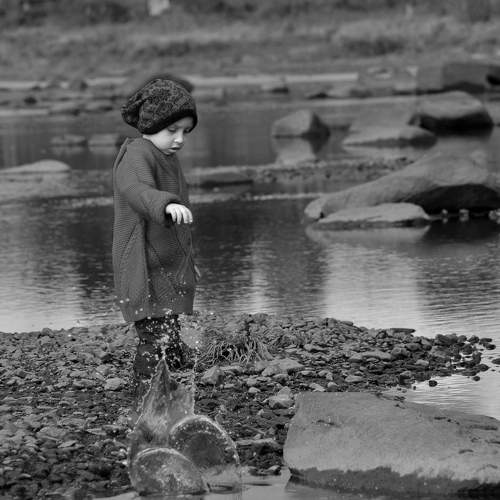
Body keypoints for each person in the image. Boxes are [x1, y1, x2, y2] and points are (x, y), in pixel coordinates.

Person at [112, 78, 199, 397]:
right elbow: (136, 191)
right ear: (150, 125)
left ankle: (169, 391)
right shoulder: (136, 155)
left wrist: (189, 261)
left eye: (185, 131)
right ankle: (144, 399)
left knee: (170, 334)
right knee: (152, 336)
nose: (179, 139)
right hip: (142, 266)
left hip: (166, 265)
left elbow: (178, 229)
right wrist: (166, 204)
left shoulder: (167, 157)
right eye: (172, 130)